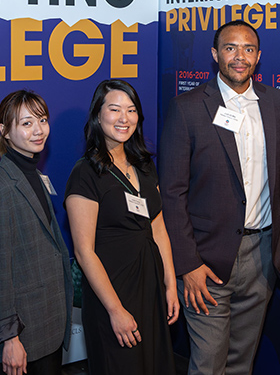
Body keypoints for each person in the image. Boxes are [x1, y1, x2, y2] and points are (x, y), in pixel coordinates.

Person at [160, 20, 280, 375]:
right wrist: (188, 264)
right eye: (230, 48)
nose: (239, 57)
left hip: (264, 256)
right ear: (215, 54)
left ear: (258, 57)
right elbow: (173, 194)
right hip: (205, 260)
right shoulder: (187, 108)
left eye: (248, 49)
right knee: (208, 363)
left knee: (242, 361)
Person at [65, 79, 179, 374]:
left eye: (131, 110)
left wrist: (169, 285)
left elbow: (159, 229)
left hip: (151, 288)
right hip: (113, 294)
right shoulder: (85, 173)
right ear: (98, 115)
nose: (123, 118)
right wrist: (115, 310)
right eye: (114, 109)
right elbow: (84, 251)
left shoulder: (144, 164)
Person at [0, 90, 72, 375]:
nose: (38, 130)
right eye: (26, 123)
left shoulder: (32, 173)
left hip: (46, 326)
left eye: (42, 120)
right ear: (4, 131)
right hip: (20, 337)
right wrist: (10, 338)